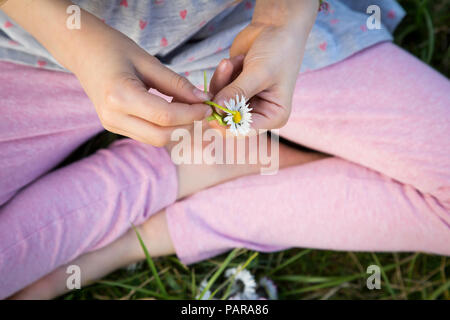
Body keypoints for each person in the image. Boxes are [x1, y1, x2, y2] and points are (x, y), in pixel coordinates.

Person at [0, 0, 448, 299]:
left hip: (253, 40)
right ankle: (183, 172)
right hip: (35, 49)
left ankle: (146, 224)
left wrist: (280, 23)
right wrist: (80, 44)